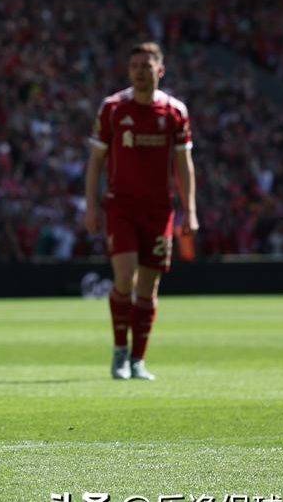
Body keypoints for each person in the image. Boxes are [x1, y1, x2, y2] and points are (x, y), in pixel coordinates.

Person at [84, 42, 197, 381]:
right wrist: (92, 206)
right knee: (124, 276)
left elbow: (184, 164)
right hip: (121, 206)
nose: (139, 72)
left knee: (148, 288)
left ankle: (138, 359)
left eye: (146, 66)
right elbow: (96, 162)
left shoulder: (175, 111)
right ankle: (120, 351)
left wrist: (190, 210)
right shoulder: (113, 108)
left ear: (160, 70)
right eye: (134, 66)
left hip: (160, 210)